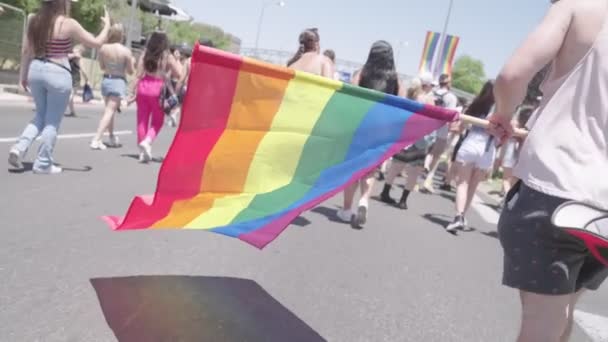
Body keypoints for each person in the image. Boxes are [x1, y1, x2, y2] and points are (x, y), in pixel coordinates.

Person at [490, 0, 608, 341]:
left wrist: (503, 113)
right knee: (563, 309)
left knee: (544, 318)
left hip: (554, 184)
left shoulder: (577, 7)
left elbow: (512, 75)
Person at [8, 0, 111, 174]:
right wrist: (107, 26)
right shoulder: (67, 23)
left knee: (40, 115)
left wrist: (23, 76)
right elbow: (96, 43)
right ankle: (42, 163)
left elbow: (26, 50)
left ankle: (19, 147)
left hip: (36, 69)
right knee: (52, 121)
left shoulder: (34, 20)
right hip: (57, 72)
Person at [336, 40, 405, 228]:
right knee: (370, 169)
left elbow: (350, 98)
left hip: (361, 126)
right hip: (382, 129)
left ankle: (346, 209)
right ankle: (364, 201)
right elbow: (403, 105)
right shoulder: (396, 79)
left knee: (353, 168)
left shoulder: (361, 73)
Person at [446, 80, 497, 232]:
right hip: (488, 148)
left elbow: (459, 128)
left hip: (471, 143)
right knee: (473, 187)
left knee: (462, 184)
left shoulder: (475, 105)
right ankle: (462, 217)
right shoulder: (502, 110)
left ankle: (459, 216)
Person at [379, 74, 435, 209]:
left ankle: (385, 191)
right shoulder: (428, 99)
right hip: (419, 138)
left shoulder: (407, 95)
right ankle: (403, 200)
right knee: (414, 170)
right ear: (426, 85)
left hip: (404, 134)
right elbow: (432, 118)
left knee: (396, 165)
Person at [134, 31, 182, 163]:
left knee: (142, 120)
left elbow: (138, 74)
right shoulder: (167, 56)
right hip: (158, 89)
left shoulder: (145, 54)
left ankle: (142, 152)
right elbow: (179, 74)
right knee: (157, 121)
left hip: (143, 87)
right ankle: (148, 141)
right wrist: (175, 61)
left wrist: (132, 93)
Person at [90, 23, 134, 150]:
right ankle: (97, 139)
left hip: (106, 80)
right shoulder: (126, 51)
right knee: (109, 111)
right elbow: (131, 71)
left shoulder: (103, 48)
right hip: (118, 81)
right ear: (122, 35)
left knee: (109, 111)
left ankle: (111, 136)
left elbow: (102, 66)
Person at [421, 73, 458, 193]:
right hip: (442, 129)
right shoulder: (451, 97)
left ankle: (425, 165)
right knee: (437, 155)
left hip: (427, 126)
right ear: (448, 83)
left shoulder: (431, 93)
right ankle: (428, 178)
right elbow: (450, 115)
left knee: (426, 151)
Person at [65, 44, 88, 117]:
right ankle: (69, 111)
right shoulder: (75, 57)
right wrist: (86, 78)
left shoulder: (74, 57)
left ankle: (72, 112)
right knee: (70, 96)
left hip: (71, 77)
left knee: (70, 96)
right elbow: (82, 68)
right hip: (72, 77)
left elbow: (82, 69)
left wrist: (86, 78)